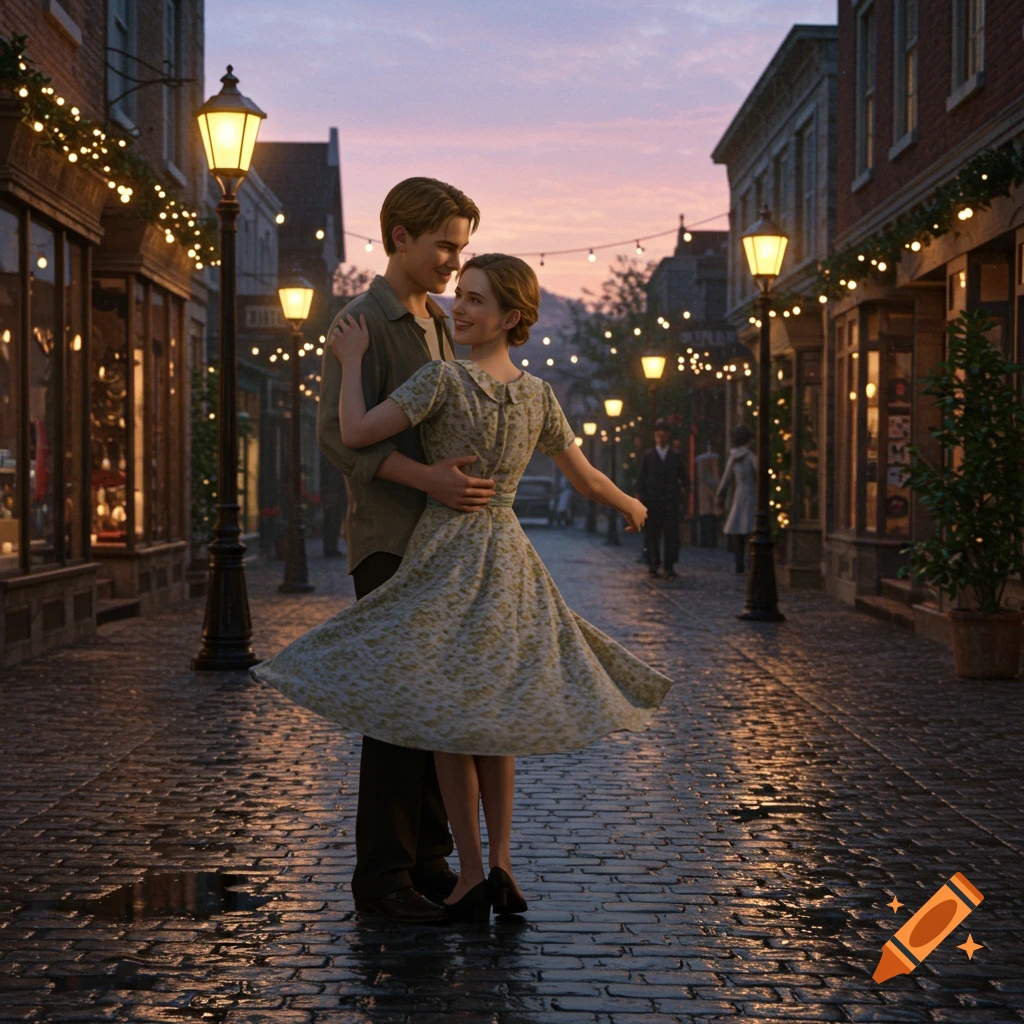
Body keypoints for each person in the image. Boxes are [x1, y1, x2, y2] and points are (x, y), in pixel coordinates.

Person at [252, 254, 674, 924]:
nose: (459, 308)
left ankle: (475, 873)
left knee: (453, 716)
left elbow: (357, 431)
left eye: (474, 300)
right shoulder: (537, 395)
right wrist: (630, 504)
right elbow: (586, 478)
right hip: (508, 559)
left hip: (448, 554)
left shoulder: (442, 379)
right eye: (461, 297)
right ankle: (500, 865)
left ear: (510, 316)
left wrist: (354, 362)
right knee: (493, 716)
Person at [313, 177, 495, 925]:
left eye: (461, 245)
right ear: (399, 239)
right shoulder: (363, 321)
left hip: (441, 542)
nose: (455, 259)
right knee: (397, 710)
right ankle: (383, 876)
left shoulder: (440, 323)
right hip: (390, 539)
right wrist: (428, 478)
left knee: (434, 704)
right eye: (444, 244)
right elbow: (338, 436)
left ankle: (426, 856)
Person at [635, 419, 689, 578]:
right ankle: (653, 563)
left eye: (664, 432)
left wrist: (685, 491)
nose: (661, 435)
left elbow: (684, 477)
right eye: (659, 432)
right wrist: (640, 496)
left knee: (671, 534)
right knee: (652, 534)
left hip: (671, 501)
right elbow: (641, 478)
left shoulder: (675, 456)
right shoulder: (648, 455)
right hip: (652, 501)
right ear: (655, 435)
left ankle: (669, 565)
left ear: (668, 435)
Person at [716, 423, 756, 573]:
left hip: (739, 494)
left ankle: (738, 561)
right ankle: (750, 561)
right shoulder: (750, 456)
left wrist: (719, 495)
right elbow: (760, 471)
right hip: (751, 493)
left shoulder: (733, 458)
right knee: (750, 527)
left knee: (738, 528)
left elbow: (725, 479)